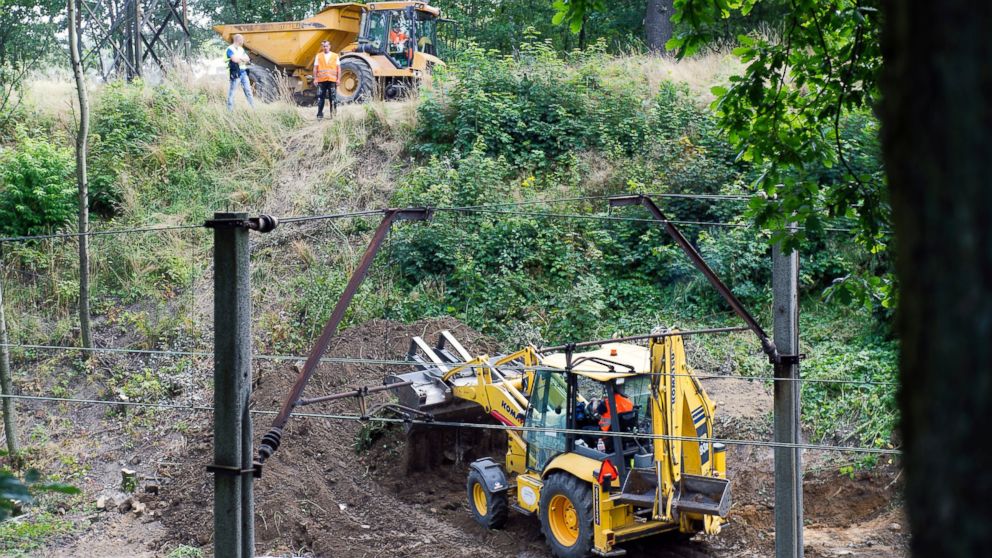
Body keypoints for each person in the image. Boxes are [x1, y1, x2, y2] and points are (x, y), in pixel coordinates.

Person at [226, 34, 255, 111]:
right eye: (242, 40)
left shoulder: (241, 49)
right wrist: (242, 59)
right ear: (238, 40)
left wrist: (240, 59)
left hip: (244, 73)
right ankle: (229, 111)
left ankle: (253, 109)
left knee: (248, 91)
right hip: (235, 73)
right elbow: (235, 60)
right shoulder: (230, 49)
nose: (243, 41)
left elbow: (248, 59)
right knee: (232, 92)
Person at [312, 40, 340, 119]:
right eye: (324, 46)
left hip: (332, 80)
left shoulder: (335, 56)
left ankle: (333, 115)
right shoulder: (318, 56)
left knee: (333, 98)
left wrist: (338, 79)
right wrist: (315, 79)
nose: (325, 48)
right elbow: (315, 68)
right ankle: (320, 115)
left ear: (329, 46)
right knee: (320, 98)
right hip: (321, 81)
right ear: (322, 47)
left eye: (327, 46)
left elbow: (338, 68)